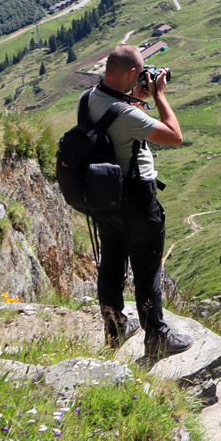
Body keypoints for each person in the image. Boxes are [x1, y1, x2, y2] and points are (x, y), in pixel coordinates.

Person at [84, 44, 191, 361]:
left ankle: (114, 327)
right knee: (147, 268)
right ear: (132, 73)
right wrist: (159, 96)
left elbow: (117, 119)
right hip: (137, 200)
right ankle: (156, 334)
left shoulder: (91, 98)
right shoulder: (129, 114)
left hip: (106, 198)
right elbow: (174, 135)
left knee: (112, 263)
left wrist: (136, 96)